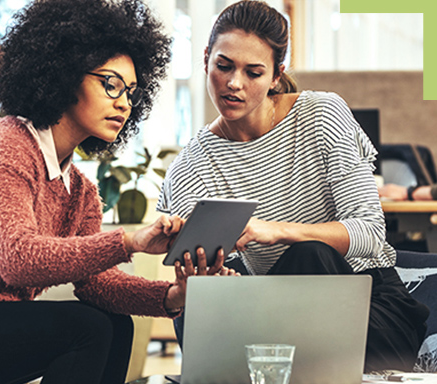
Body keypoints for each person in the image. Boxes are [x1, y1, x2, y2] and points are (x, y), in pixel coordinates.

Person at [0, 1, 237, 383]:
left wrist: (172, 296)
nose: (123, 102)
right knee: (86, 328)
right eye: (110, 84)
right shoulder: (2, 146)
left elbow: (98, 284)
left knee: (116, 326)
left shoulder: (79, 189)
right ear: (64, 75)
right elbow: (16, 259)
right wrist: (128, 241)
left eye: (131, 91)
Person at [158, 0, 429, 373]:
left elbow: (369, 231)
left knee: (308, 255)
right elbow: (227, 288)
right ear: (205, 57)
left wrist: (276, 232)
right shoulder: (189, 169)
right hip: (273, 318)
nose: (234, 83)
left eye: (253, 73)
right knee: (198, 307)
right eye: (223, 66)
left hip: (370, 312)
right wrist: (202, 272)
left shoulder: (321, 115)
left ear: (275, 75)